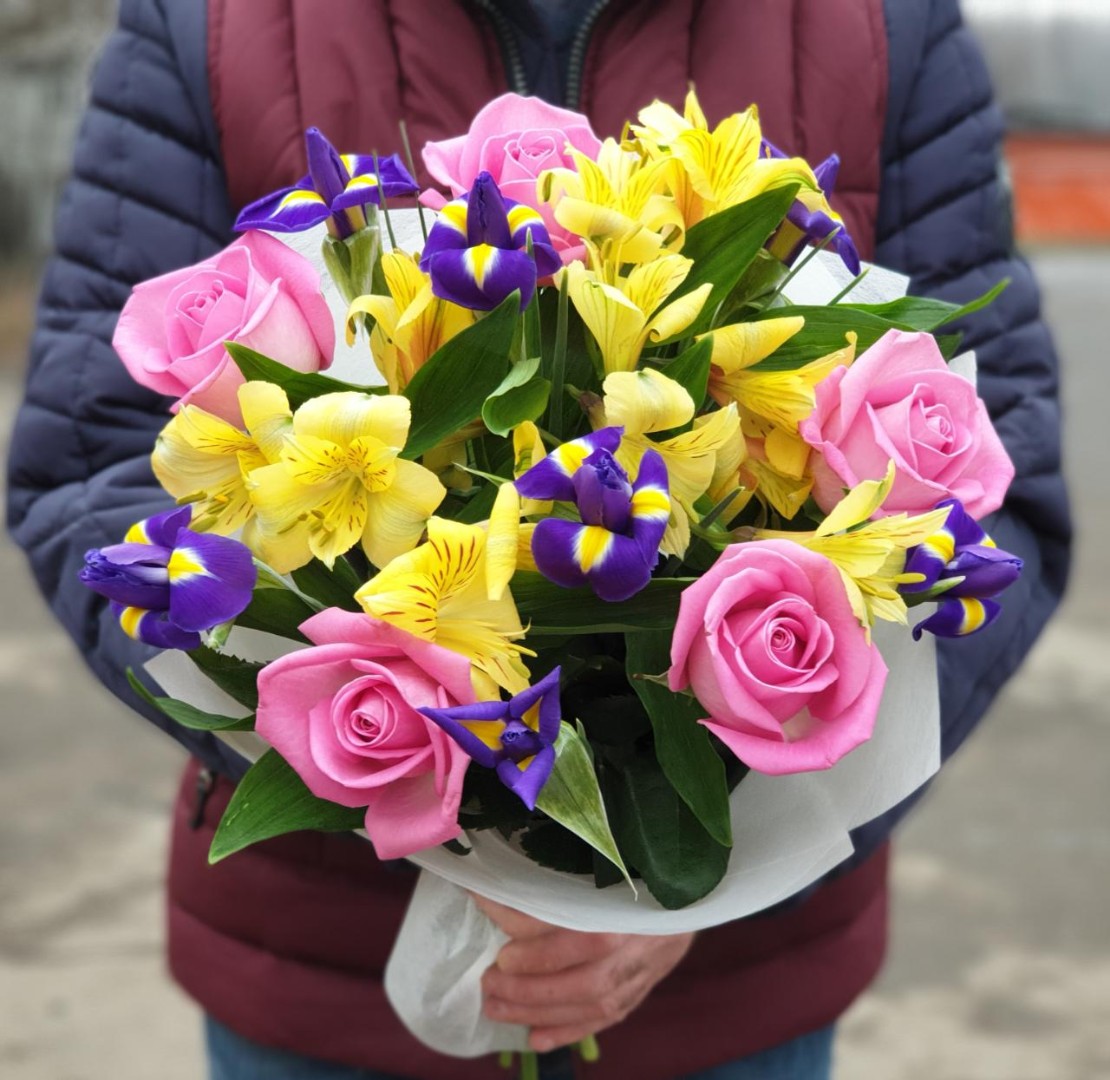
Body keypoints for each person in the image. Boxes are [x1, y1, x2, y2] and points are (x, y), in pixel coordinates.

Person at [6, 1, 1070, 1078]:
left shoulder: (883, 24)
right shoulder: (210, 23)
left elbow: (1003, 484)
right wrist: (392, 777)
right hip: (322, 981)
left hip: (728, 1002)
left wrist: (709, 866)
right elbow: (86, 464)